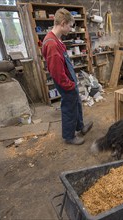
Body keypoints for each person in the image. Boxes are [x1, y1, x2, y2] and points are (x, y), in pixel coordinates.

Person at [42, 8, 93, 145]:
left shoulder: (56, 39)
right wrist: (69, 84)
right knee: (69, 107)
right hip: (65, 82)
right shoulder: (52, 44)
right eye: (70, 26)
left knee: (76, 103)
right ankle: (69, 136)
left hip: (69, 79)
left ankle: (80, 127)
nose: (70, 29)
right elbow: (56, 72)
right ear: (63, 23)